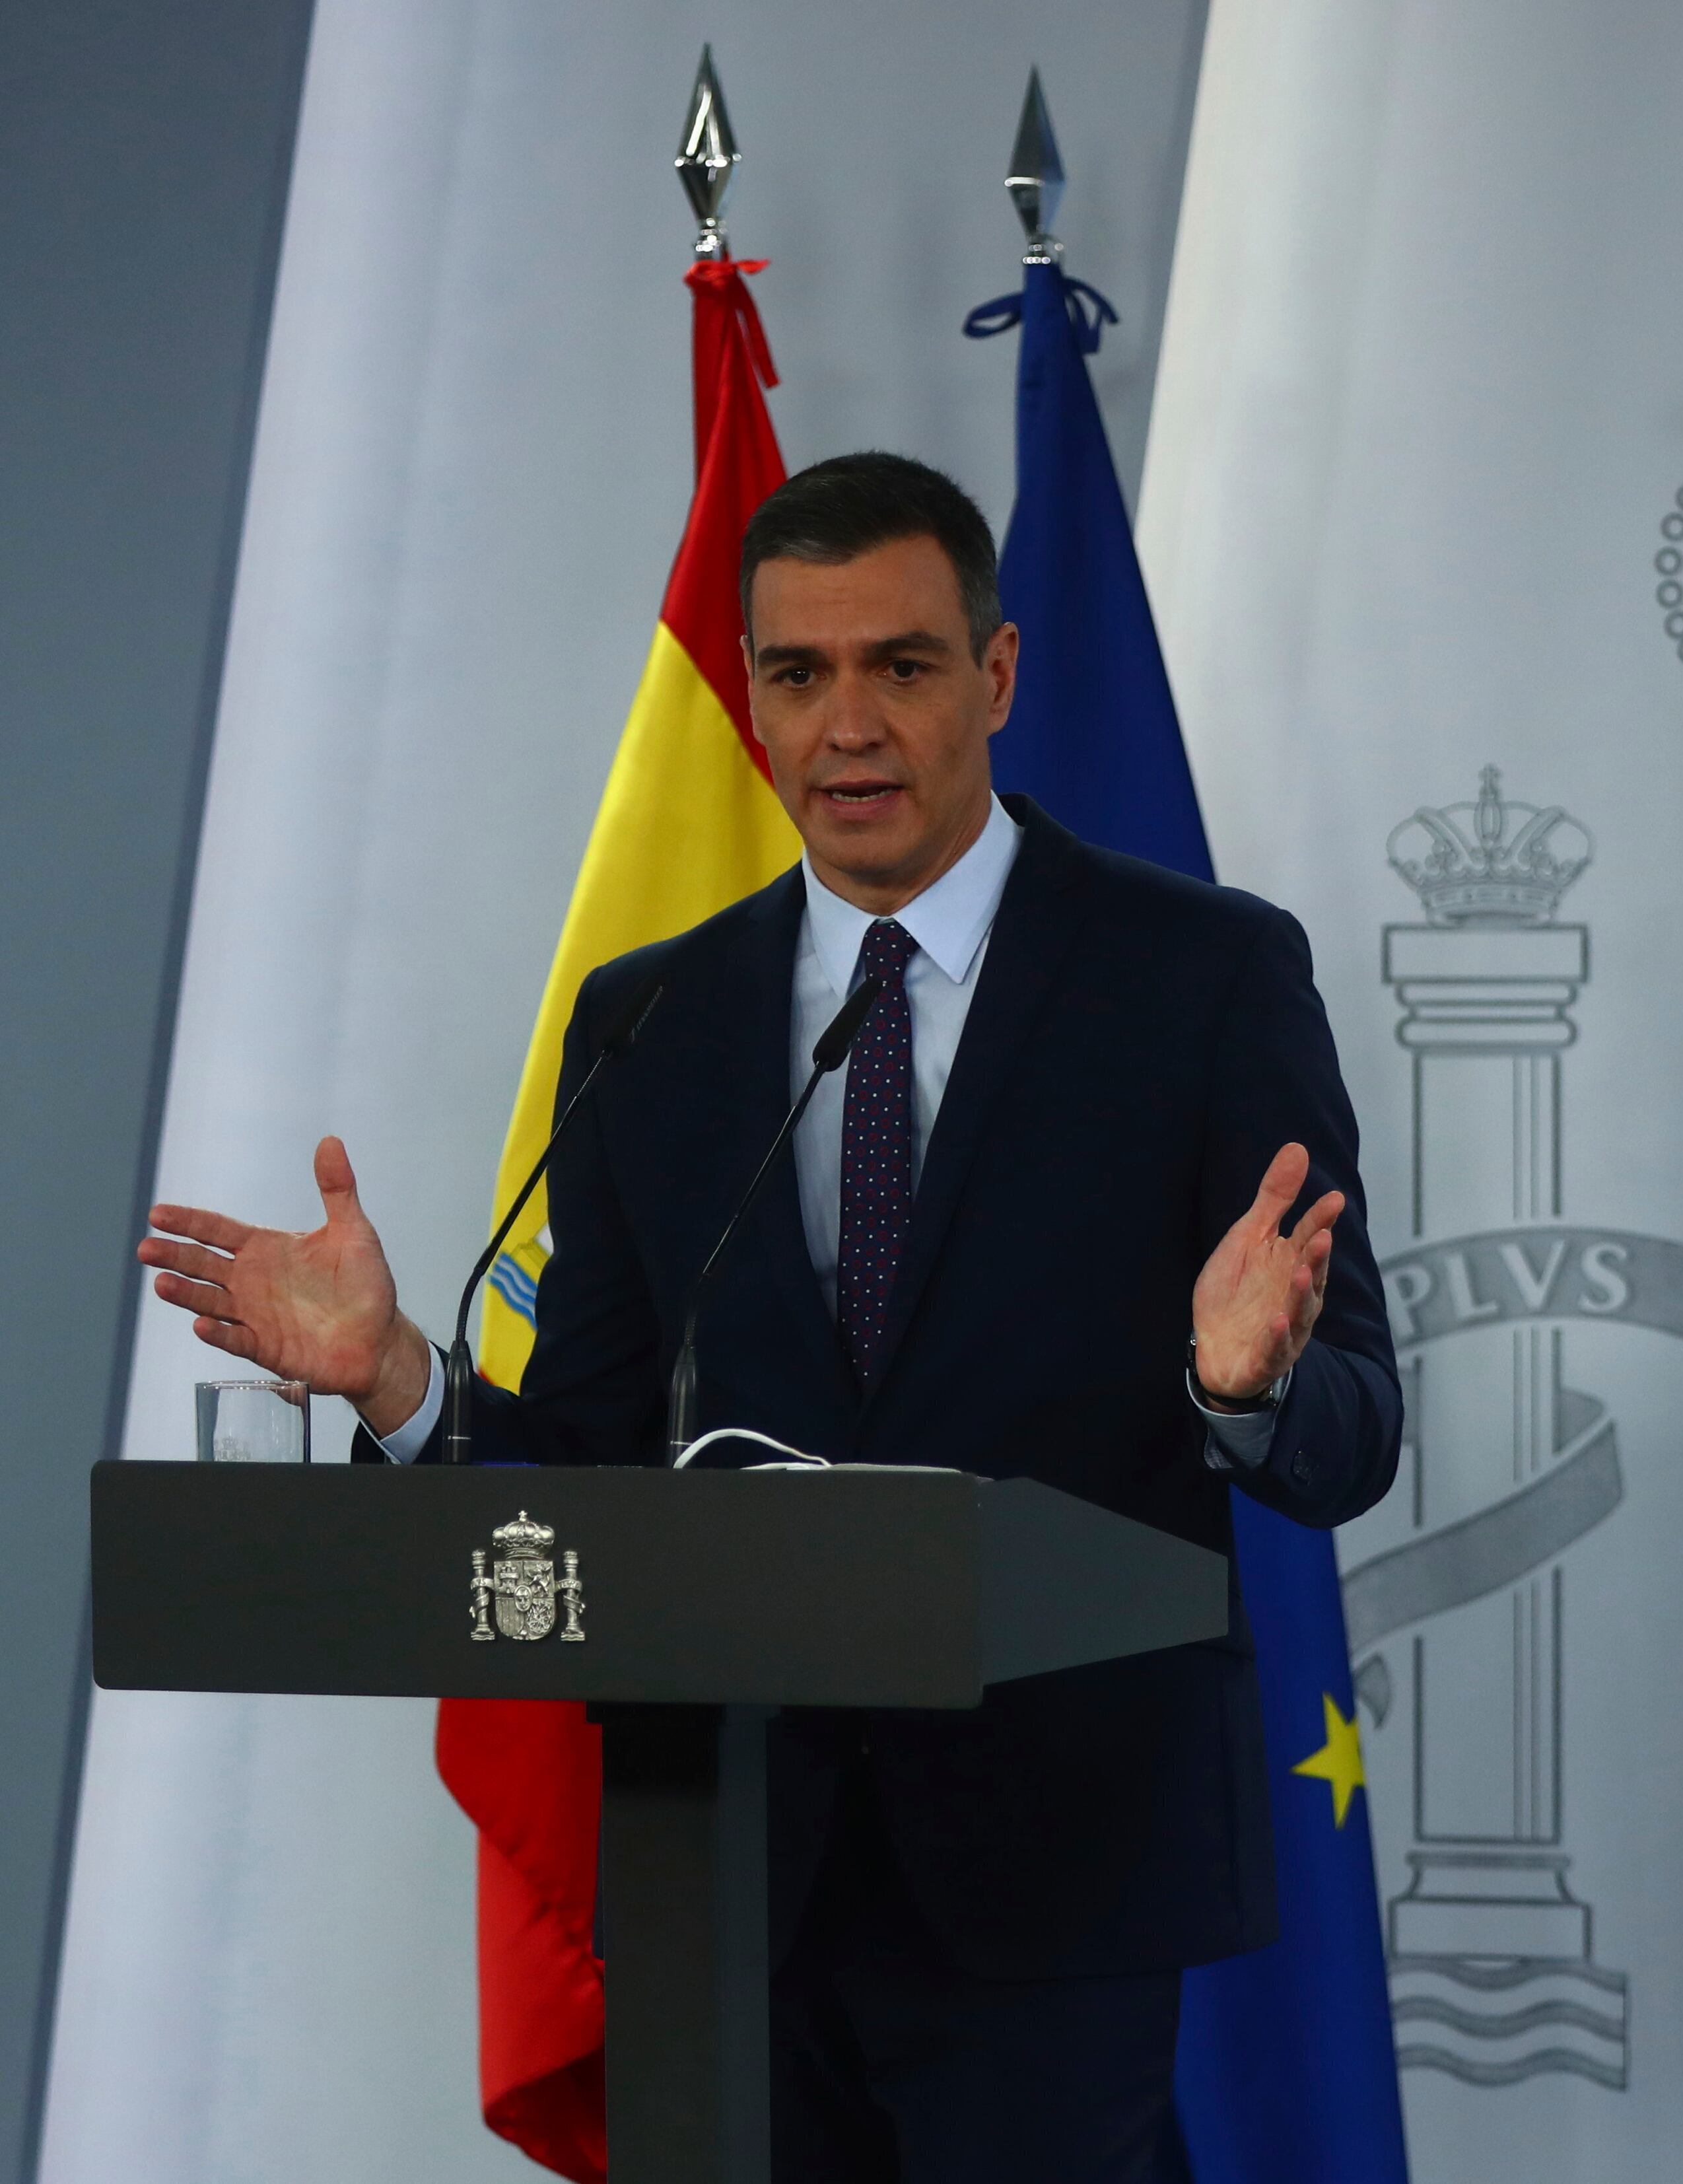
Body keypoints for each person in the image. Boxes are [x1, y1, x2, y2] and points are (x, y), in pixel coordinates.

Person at [133, 452, 1398, 2183]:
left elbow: (1353, 1431)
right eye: (798, 674)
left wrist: (1241, 1387)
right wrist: (406, 1381)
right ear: (754, 694)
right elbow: (579, 1467)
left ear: (1000, 676)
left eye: (902, 663)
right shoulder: (657, 1022)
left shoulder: (1199, 980)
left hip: (1056, 1884)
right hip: (721, 1889)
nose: (849, 724)